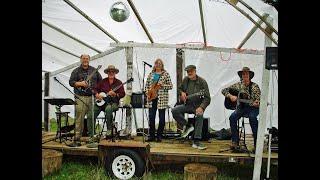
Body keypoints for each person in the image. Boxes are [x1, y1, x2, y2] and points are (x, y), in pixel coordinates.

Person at [171, 65, 211, 150]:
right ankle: (188, 125)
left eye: (191, 71)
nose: (189, 73)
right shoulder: (186, 80)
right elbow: (179, 89)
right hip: (187, 105)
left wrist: (201, 107)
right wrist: (181, 93)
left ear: (195, 71)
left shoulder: (202, 82)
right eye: (188, 71)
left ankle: (196, 141)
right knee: (174, 110)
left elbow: (207, 98)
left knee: (200, 115)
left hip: (197, 106)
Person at [221, 67, 261, 151]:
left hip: (253, 108)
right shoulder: (238, 85)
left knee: (252, 117)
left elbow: (259, 101)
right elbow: (224, 90)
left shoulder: (255, 86)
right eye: (243, 74)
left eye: (247, 74)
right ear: (241, 76)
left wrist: (256, 103)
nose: (245, 75)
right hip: (242, 108)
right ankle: (235, 141)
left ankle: (257, 143)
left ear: (250, 75)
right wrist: (230, 96)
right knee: (232, 117)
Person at [69, 54, 102, 147]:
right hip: (80, 97)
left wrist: (97, 93)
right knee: (79, 118)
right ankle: (77, 139)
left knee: (91, 118)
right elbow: (71, 82)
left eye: (87, 58)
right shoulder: (76, 71)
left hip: (92, 97)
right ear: (80, 59)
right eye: (83, 58)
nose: (85, 60)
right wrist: (80, 83)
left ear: (89, 59)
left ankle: (92, 138)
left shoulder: (94, 70)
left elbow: (101, 82)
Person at [92, 65, 125, 139]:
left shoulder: (119, 82)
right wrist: (97, 94)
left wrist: (115, 94)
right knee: (92, 112)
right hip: (101, 102)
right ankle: (92, 133)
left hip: (113, 103)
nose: (111, 73)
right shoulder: (103, 81)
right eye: (109, 71)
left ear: (115, 73)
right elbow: (94, 89)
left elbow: (123, 94)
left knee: (108, 109)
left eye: (112, 71)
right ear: (107, 73)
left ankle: (109, 130)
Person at [145, 58, 173, 142]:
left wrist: (162, 86)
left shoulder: (165, 74)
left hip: (162, 99)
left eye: (160, 63)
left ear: (162, 65)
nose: (158, 64)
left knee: (161, 118)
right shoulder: (151, 74)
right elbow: (146, 85)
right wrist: (147, 93)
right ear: (155, 65)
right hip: (152, 98)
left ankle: (159, 136)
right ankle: (152, 136)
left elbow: (171, 86)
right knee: (151, 117)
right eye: (156, 63)